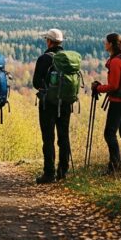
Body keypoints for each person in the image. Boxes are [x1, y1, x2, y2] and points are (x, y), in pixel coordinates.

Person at [33, 28, 72, 184]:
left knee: (48, 138)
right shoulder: (68, 59)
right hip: (65, 103)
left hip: (47, 104)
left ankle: (49, 174)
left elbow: (36, 82)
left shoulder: (44, 58)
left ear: (49, 41)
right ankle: (63, 171)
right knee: (64, 136)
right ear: (60, 42)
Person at [92, 33, 121, 174]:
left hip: (117, 102)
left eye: (106, 42)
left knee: (109, 134)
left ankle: (114, 167)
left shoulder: (116, 61)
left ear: (111, 44)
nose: (104, 44)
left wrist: (98, 88)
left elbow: (114, 86)